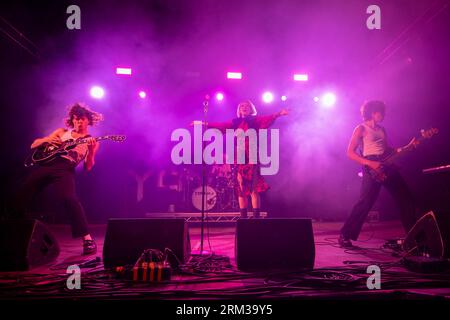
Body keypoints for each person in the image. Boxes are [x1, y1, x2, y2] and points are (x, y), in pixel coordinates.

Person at [14, 103, 102, 255]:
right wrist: (47, 141)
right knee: (24, 190)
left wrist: (92, 151)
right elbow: (34, 144)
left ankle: (87, 239)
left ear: (88, 120)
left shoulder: (90, 140)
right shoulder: (62, 132)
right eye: (75, 119)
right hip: (48, 165)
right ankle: (14, 227)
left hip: (65, 168)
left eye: (81, 119)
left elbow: (88, 167)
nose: (78, 122)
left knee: (69, 198)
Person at [339, 100, 419, 247]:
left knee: (406, 199)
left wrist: (408, 147)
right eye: (381, 112)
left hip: (386, 165)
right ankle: (345, 235)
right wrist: (370, 163)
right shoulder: (361, 129)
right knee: (365, 202)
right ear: (373, 113)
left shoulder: (382, 129)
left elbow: (388, 151)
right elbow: (350, 153)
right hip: (371, 167)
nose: (384, 115)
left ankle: (413, 237)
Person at [206, 100, 288, 218]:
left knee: (253, 188)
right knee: (240, 188)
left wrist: (279, 113)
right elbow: (221, 125)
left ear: (251, 109)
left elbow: (268, 118)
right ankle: (243, 219)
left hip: (251, 155)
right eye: (242, 106)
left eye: (247, 106)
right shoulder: (235, 122)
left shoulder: (255, 120)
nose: (244, 107)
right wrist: (204, 124)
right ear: (239, 110)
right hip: (239, 155)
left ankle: (256, 219)